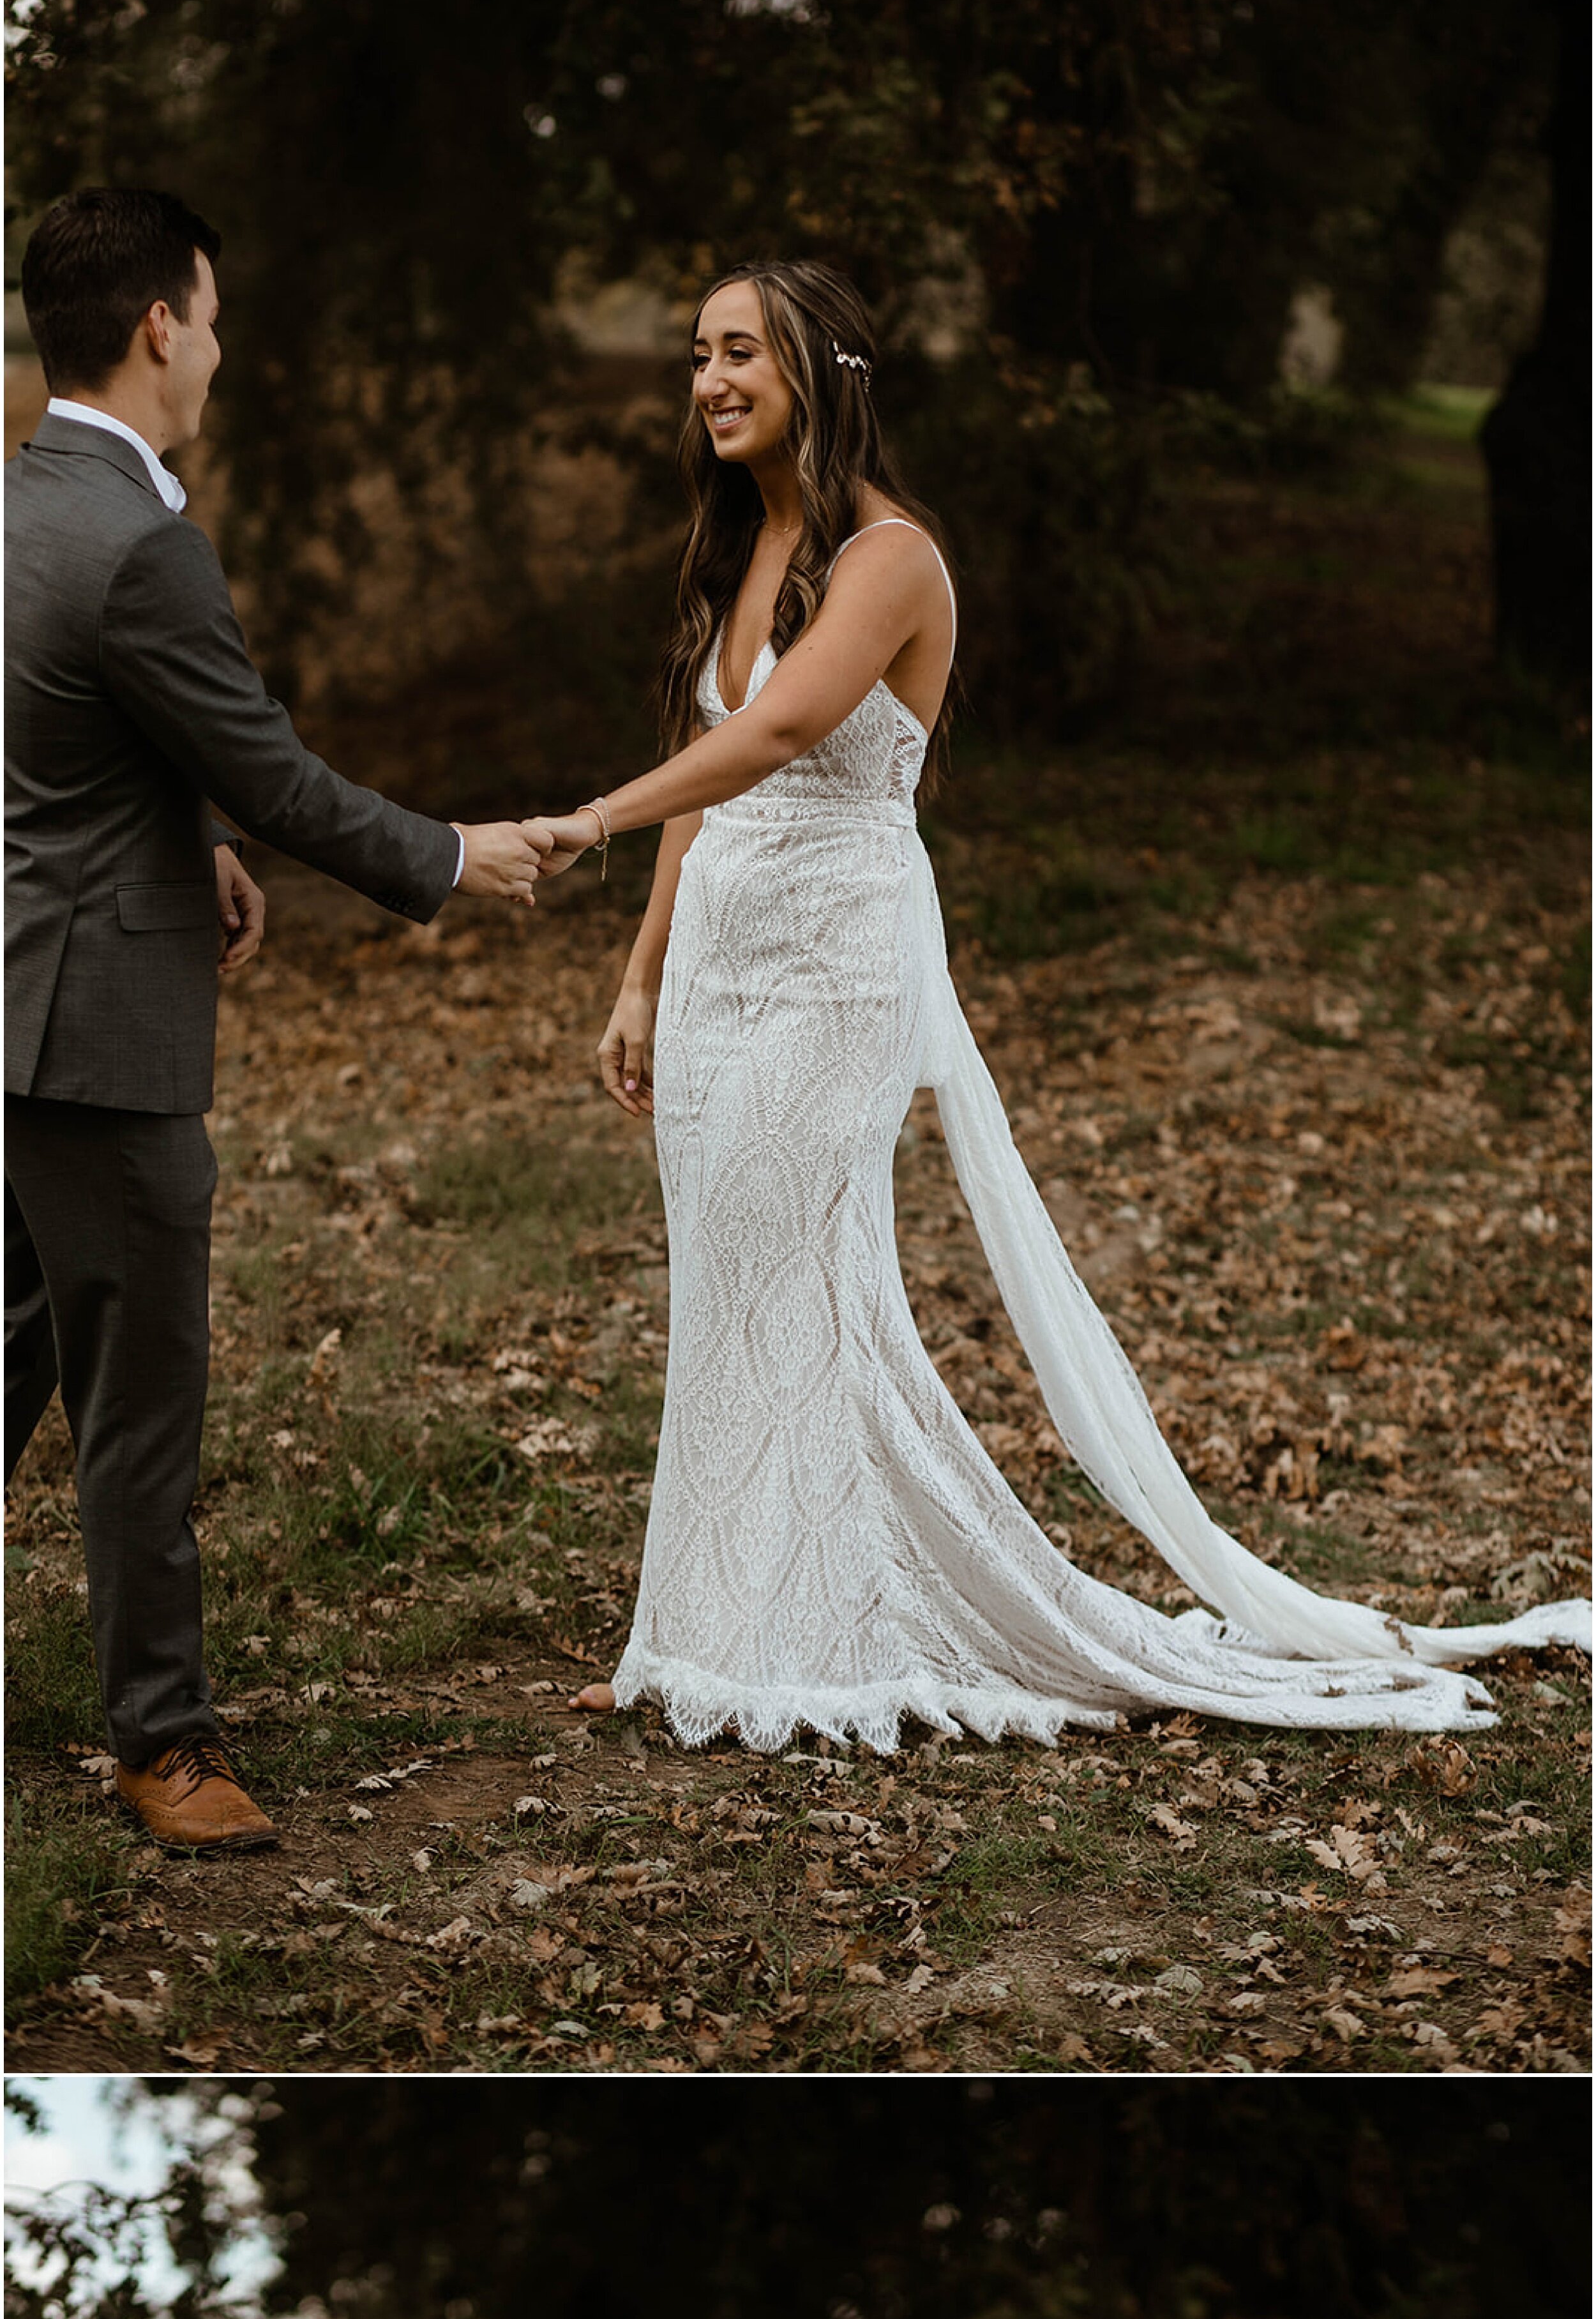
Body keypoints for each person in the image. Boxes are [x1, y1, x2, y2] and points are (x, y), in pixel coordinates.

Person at [526, 261, 1588, 1753]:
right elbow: (712, 766)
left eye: (739, 351)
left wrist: (585, 822)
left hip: (833, 968)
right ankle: (698, 1631)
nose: (707, 379)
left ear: (821, 369)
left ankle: (804, 1625)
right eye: (696, 354)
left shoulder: (890, 556)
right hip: (715, 964)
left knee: (797, 1277)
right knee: (724, 1282)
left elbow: (775, 732)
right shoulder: (735, 548)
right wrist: (638, 972)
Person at [4, 185, 550, 1854]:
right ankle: (162, 1744)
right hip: (99, 1045)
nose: (223, 352)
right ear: (162, 323)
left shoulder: (29, 503)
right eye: (216, 319)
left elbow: (96, 740)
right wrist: (454, 856)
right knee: (139, 1405)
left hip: (20, 1002)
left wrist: (203, 845)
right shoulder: (142, 540)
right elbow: (268, 762)